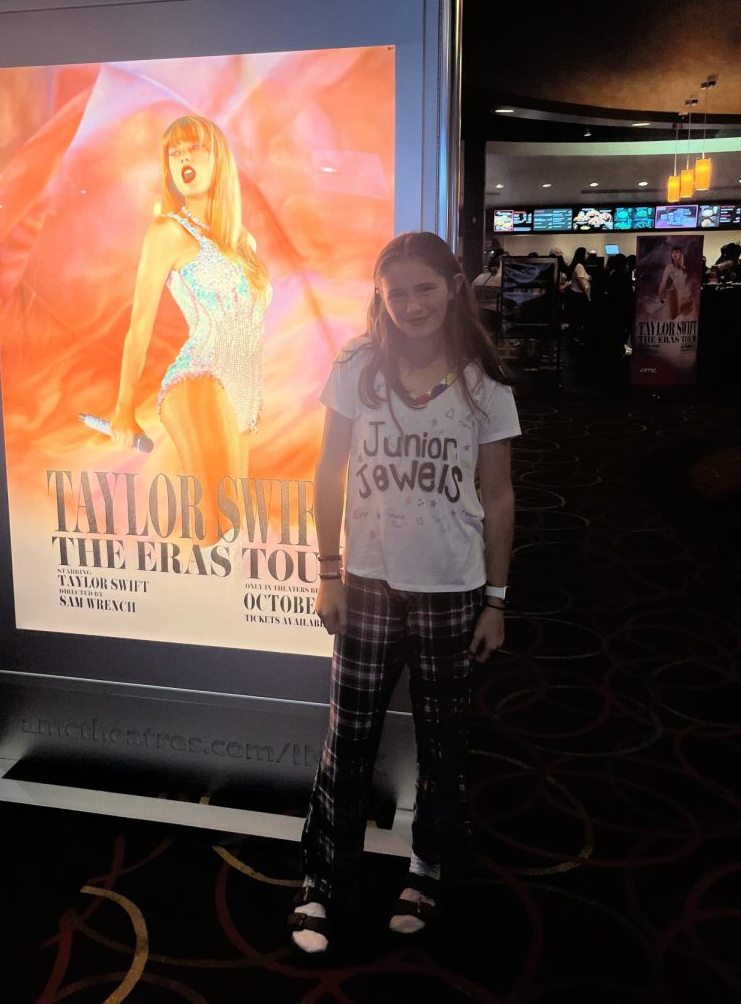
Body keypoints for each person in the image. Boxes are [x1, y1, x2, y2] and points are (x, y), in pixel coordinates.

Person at [289, 231, 521, 955]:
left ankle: (427, 869)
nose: (412, 304)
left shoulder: (485, 381)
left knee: (442, 741)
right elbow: (327, 471)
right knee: (346, 738)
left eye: (426, 287)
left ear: (455, 286)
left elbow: (499, 495)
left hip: (450, 590)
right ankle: (324, 882)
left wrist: (497, 600)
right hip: (367, 586)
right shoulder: (357, 368)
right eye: (398, 292)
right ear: (380, 299)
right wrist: (327, 571)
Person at [110, 115, 270, 543]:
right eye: (175, 152)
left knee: (230, 526)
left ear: (218, 157)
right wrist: (124, 409)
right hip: (199, 378)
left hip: (243, 394)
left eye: (193, 148)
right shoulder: (168, 231)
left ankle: (183, 599)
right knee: (213, 523)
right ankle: (171, 603)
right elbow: (139, 324)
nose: (183, 158)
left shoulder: (244, 244)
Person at [658, 245, 694, 320]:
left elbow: (686, 283)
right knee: (672, 318)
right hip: (674, 294)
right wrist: (660, 294)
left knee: (685, 318)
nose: (674, 254)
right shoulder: (669, 267)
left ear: (681, 254)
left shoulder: (683, 267)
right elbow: (663, 281)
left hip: (684, 295)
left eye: (677, 252)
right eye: (673, 252)